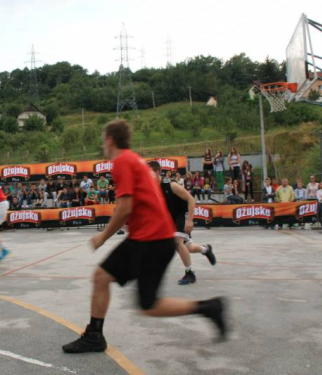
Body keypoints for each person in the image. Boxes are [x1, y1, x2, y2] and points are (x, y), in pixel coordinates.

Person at [62, 120, 227, 354]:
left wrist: (103, 237)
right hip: (148, 237)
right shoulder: (135, 160)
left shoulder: (121, 162)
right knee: (101, 277)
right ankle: (94, 335)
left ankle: (209, 307)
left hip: (152, 240)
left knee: (148, 305)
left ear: (110, 140)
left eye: (103, 140)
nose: (103, 145)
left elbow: (124, 207)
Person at [149, 161, 216, 285]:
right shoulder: (152, 189)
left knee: (177, 242)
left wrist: (190, 220)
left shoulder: (171, 185)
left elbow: (191, 199)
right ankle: (205, 250)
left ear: (157, 173)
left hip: (182, 214)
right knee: (187, 247)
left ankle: (189, 273)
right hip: (170, 218)